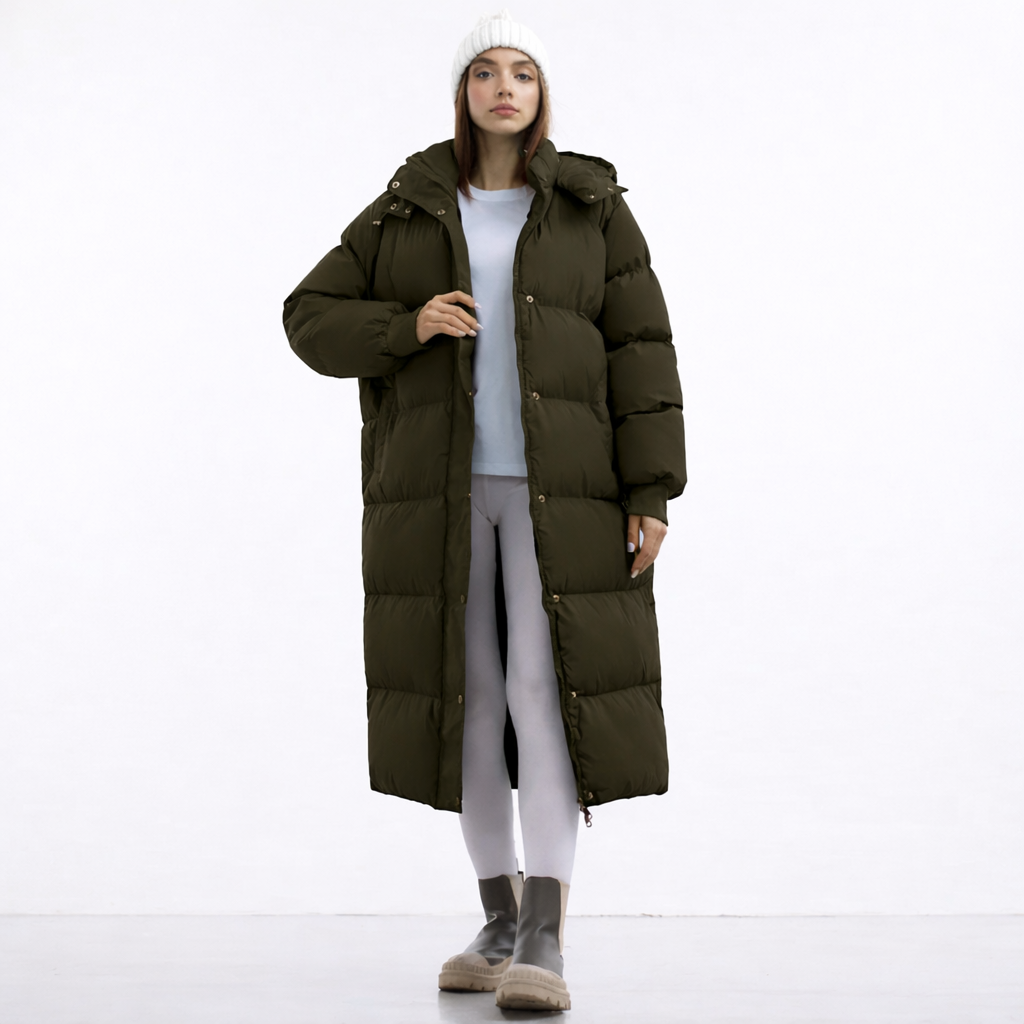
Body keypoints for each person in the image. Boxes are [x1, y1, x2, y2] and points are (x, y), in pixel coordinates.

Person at [282, 9, 686, 1012]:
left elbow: (641, 354)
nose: (505, 87)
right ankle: (498, 916)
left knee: (543, 693)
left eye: (523, 71)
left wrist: (649, 491)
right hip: (443, 495)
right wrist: (406, 323)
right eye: (485, 72)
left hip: (566, 496)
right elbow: (308, 316)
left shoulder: (592, 207)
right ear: (462, 92)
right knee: (467, 701)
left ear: (543, 91)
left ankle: (546, 931)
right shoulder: (410, 208)